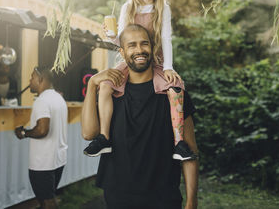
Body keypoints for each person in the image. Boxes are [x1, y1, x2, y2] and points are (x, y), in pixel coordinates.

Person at [83, 0, 194, 161]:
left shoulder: (163, 8)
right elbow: (122, 40)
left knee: (175, 86)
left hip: (155, 59)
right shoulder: (128, 7)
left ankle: (179, 143)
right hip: (132, 60)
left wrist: (168, 66)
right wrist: (111, 36)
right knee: (107, 86)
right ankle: (104, 137)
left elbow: (167, 38)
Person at [81, 24, 199, 209]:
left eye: (144, 44)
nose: (139, 50)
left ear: (152, 48)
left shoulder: (173, 93)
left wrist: (192, 201)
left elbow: (190, 148)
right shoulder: (112, 94)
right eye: (132, 45)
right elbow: (88, 134)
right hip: (118, 196)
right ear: (122, 51)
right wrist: (92, 85)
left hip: (164, 197)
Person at [14, 66, 68, 209]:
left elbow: (43, 129)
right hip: (58, 159)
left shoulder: (42, 100)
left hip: (43, 162)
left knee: (47, 201)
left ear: (41, 79)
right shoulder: (59, 98)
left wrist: (24, 133)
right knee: (47, 198)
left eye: (32, 77)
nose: (30, 81)